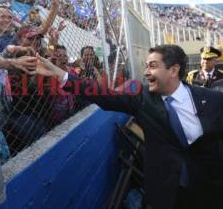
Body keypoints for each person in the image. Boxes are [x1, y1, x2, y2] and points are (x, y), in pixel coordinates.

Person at [36, 44, 223, 209]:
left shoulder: (214, 100)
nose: (146, 72)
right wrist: (62, 76)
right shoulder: (142, 99)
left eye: (153, 66)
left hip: (209, 190)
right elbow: (103, 95)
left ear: (173, 70)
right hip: (166, 193)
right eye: (146, 66)